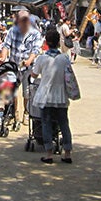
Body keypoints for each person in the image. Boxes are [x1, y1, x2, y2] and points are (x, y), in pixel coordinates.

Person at [31, 28, 73, 164]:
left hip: (46, 95)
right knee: (64, 123)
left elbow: (34, 74)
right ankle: (67, 153)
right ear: (58, 42)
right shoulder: (65, 58)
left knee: (46, 123)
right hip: (61, 95)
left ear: (46, 42)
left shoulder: (42, 58)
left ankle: (49, 153)